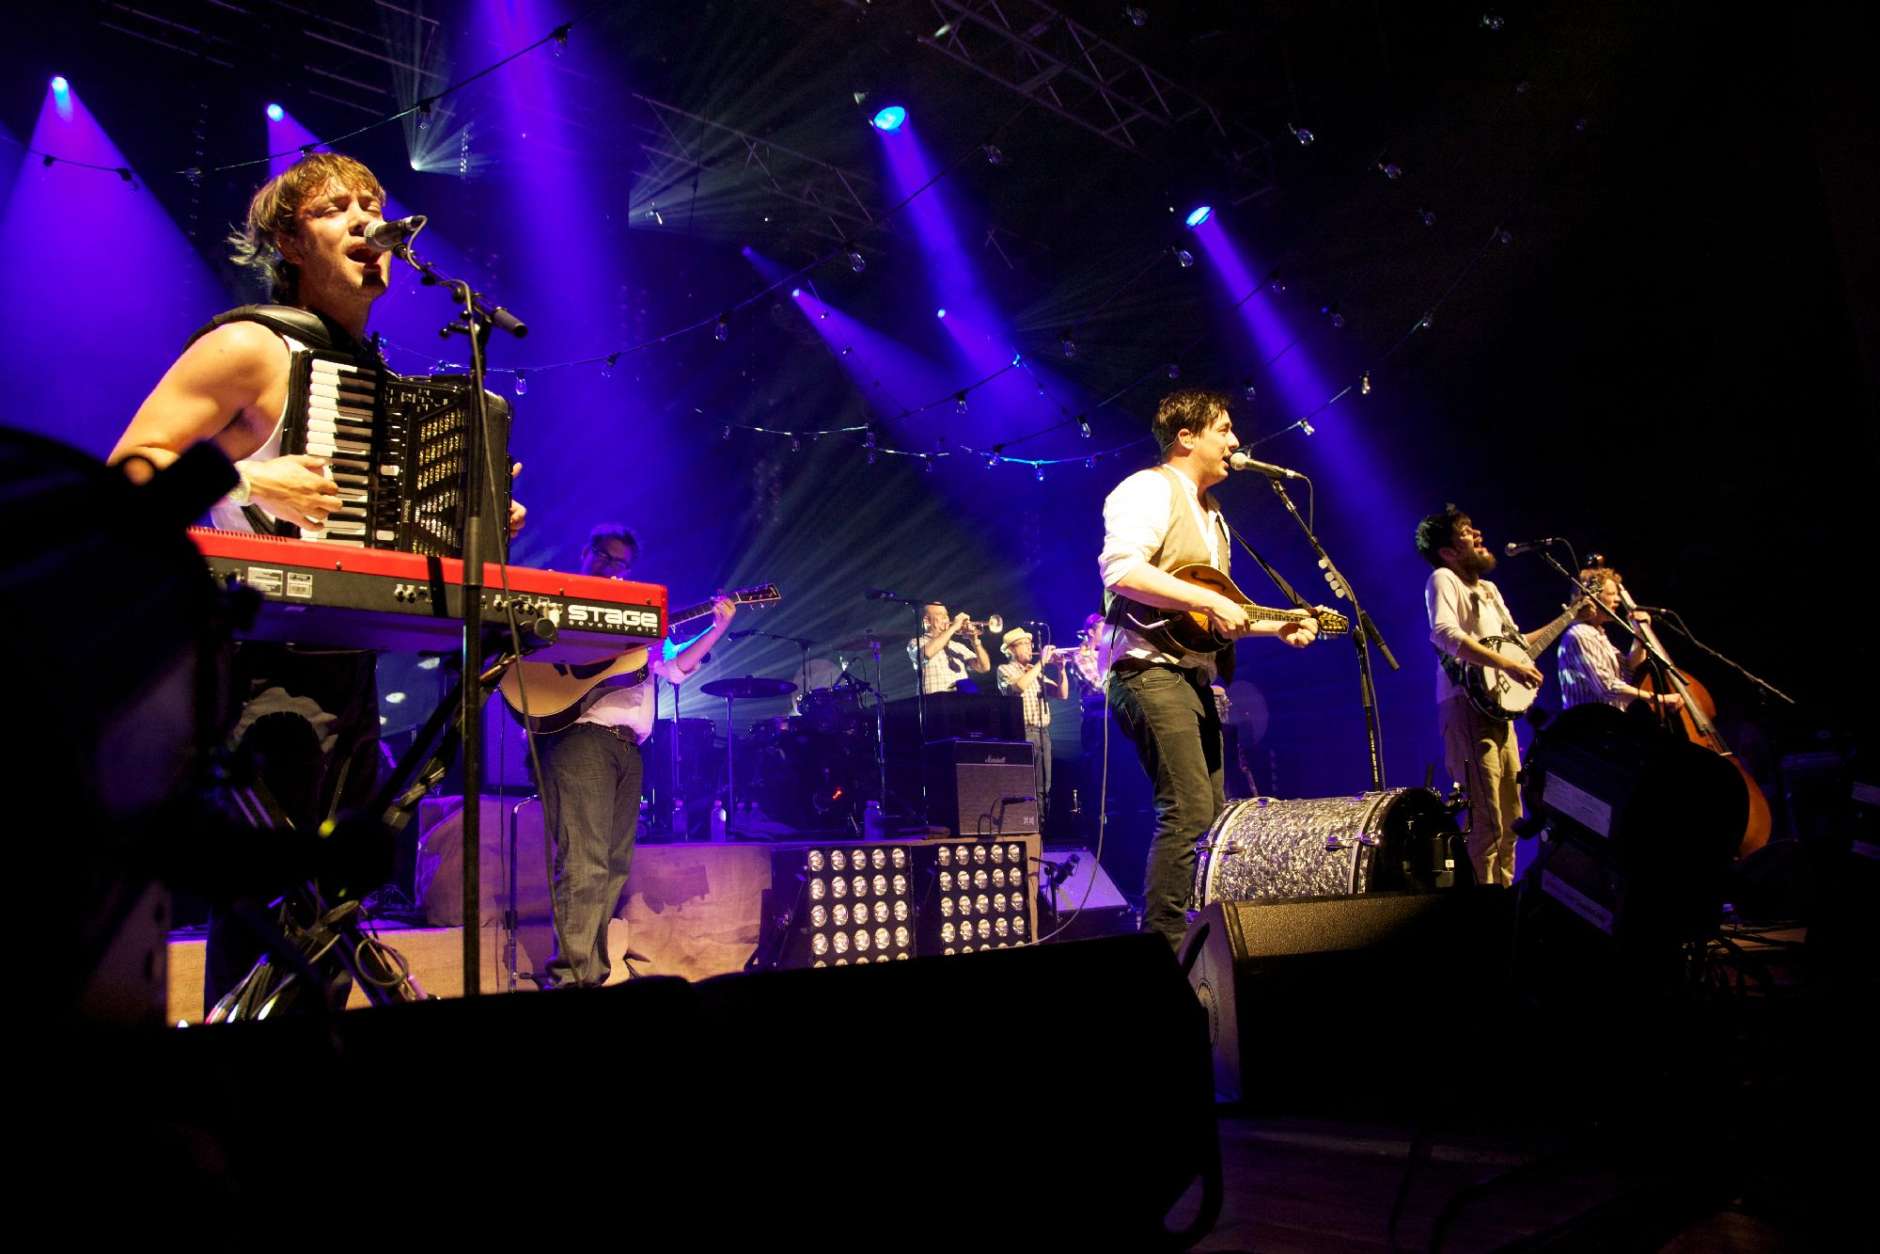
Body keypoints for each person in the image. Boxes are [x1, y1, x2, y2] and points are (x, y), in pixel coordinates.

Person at [107, 152, 525, 1010]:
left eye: (373, 202)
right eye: (337, 208)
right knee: (271, 898)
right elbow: (125, 474)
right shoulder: (250, 344)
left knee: (330, 896)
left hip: (347, 664)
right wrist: (247, 478)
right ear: (290, 243)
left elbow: (379, 525)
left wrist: (473, 517)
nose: (366, 218)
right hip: (250, 663)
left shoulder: (370, 368)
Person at [1099, 388, 1318, 948]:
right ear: (1186, 437)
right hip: (1148, 669)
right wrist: (1215, 602)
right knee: (1188, 808)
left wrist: (1277, 626)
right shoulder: (1148, 488)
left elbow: (1212, 616)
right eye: (1223, 429)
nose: (1235, 441)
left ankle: (1199, 941)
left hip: (1193, 677)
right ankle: (1164, 947)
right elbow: (1121, 570)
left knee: (1211, 815)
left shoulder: (1215, 516)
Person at [534, 523, 735, 987]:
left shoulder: (641, 616)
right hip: (581, 735)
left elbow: (677, 668)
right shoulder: (559, 598)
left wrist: (717, 626)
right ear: (585, 553)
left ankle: (591, 972)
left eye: (621, 563)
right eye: (604, 556)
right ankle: (570, 978)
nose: (611, 567)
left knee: (614, 863)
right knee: (585, 860)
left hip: (629, 746)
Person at [1416, 505, 1587, 886]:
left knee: (1512, 817)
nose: (1478, 534)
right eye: (1465, 531)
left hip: (1498, 711)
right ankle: (1483, 909)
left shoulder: (1490, 590)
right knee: (1487, 819)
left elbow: (1517, 645)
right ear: (1447, 551)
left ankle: (1505, 901)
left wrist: (1569, 617)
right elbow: (1443, 632)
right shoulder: (1444, 579)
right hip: (1465, 707)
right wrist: (1508, 665)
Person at [1557, 566, 1684, 714]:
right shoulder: (1580, 634)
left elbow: (1629, 671)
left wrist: (1639, 634)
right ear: (1592, 598)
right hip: (1590, 724)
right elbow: (1607, 687)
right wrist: (1659, 699)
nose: (1618, 600)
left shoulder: (1598, 635)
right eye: (1611, 594)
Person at [996, 627, 1071, 830]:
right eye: (1024, 644)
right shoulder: (1005, 669)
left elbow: (1062, 694)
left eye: (1030, 644)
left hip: (1043, 733)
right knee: (1027, 782)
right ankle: (1027, 825)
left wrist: (1061, 670)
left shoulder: (1035, 670)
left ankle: (1043, 826)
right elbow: (1018, 687)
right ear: (1011, 649)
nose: (1030, 648)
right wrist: (1041, 663)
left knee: (1045, 784)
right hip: (1023, 733)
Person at [907, 601, 991, 694]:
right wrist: (954, 626)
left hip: (961, 699)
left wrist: (974, 641)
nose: (945, 618)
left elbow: (984, 667)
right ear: (927, 621)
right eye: (940, 614)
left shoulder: (958, 646)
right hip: (934, 700)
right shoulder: (917, 642)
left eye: (946, 614)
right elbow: (925, 654)